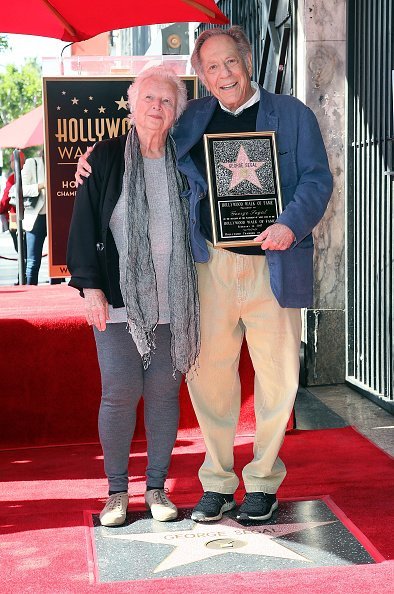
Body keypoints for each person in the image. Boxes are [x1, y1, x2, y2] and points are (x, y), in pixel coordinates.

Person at [76, 27, 333, 524]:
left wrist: (290, 224)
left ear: (248, 61)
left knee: (278, 378)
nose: (223, 74)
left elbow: (318, 179)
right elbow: (144, 137)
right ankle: (217, 480)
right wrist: (95, 159)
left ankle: (261, 480)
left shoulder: (293, 116)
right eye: (211, 67)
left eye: (230, 62)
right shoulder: (192, 117)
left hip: (273, 264)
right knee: (208, 376)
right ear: (202, 76)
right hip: (208, 267)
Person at [67, 66, 200, 527]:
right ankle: (117, 492)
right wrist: (91, 288)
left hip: (174, 304)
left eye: (166, 101)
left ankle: (158, 488)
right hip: (119, 301)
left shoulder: (186, 161)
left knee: (164, 396)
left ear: (176, 112)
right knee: (119, 394)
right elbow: (83, 227)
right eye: (148, 98)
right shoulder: (103, 158)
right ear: (131, 103)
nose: (156, 107)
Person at [0, 151, 26, 270]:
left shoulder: (13, 178)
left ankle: (22, 275)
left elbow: (6, 200)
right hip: (31, 217)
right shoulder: (28, 174)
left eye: (11, 160)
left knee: (20, 249)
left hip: (15, 217)